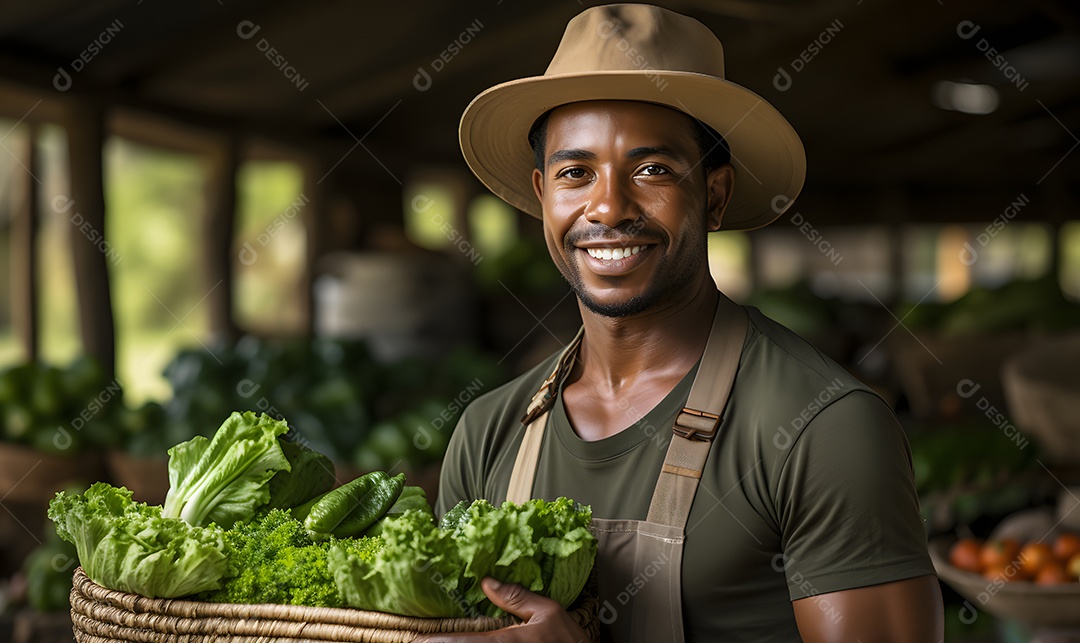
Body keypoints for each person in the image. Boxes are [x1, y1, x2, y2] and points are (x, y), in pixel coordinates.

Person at [421, 4, 944, 642]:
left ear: (715, 195)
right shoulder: (486, 435)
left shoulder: (823, 427)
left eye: (653, 171)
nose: (608, 207)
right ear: (541, 195)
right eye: (575, 174)